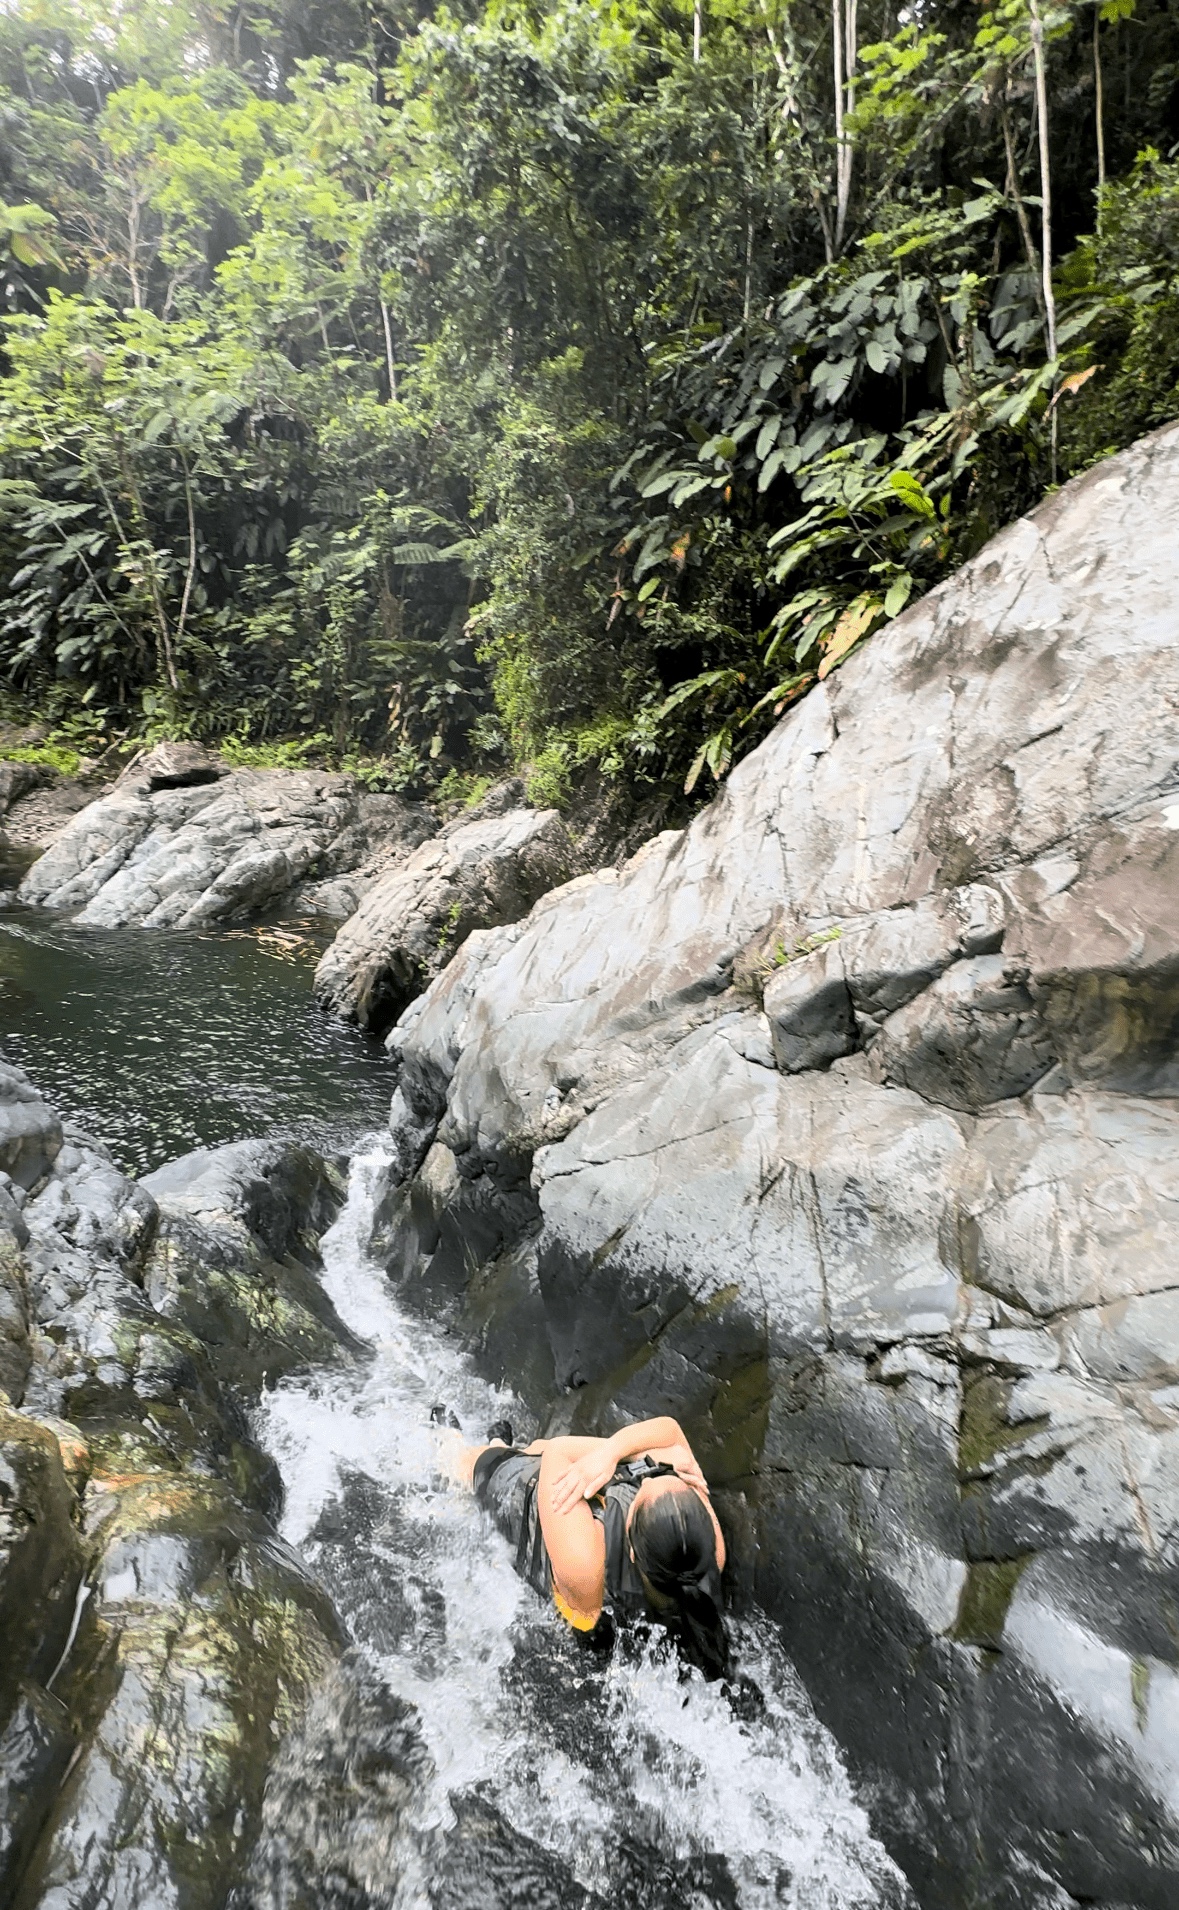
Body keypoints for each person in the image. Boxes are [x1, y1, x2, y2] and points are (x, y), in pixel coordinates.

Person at [450, 1412, 731, 1680]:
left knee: (469, 1462)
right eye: (663, 1474)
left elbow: (559, 1451)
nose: (649, 1477)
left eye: (649, 1482)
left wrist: (619, 1455)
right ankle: (502, 1444)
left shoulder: (585, 1566)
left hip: (528, 1511)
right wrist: (653, 1461)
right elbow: (672, 1432)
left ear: (633, 1550)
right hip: (576, 1509)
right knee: (538, 1449)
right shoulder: (708, 1553)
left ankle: (476, 1444)